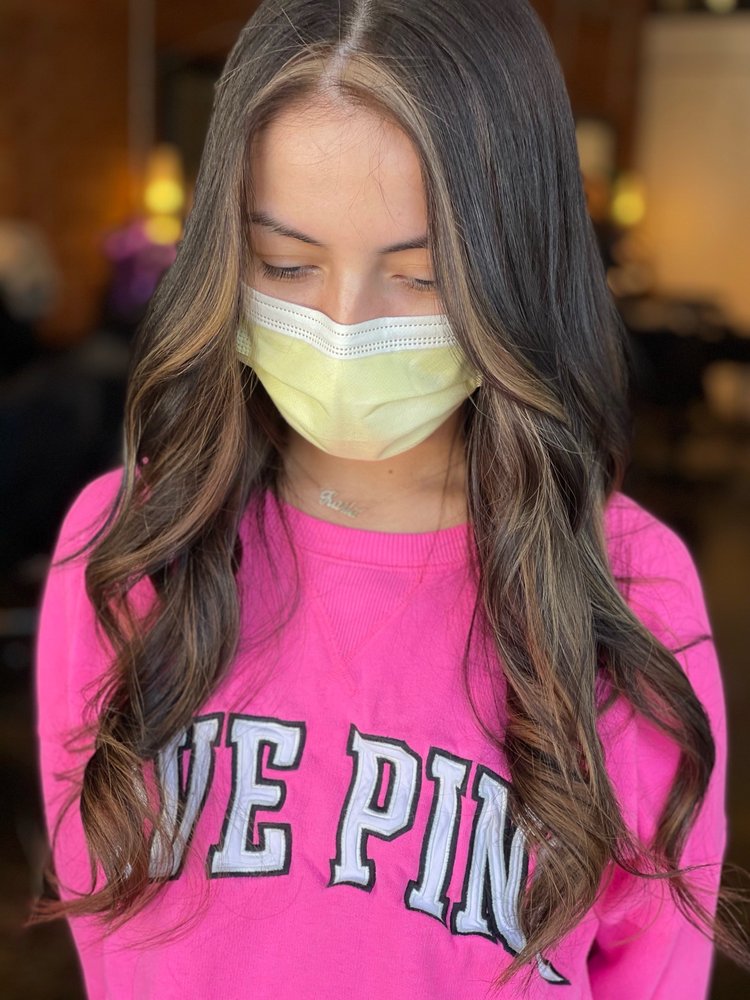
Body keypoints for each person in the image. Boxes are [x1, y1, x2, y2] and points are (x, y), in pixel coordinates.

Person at [28, 1, 748, 997]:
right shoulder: (132, 545)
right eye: (286, 265)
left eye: (421, 276)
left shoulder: (629, 588)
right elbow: (108, 928)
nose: (344, 327)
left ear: (515, 272)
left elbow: (652, 965)